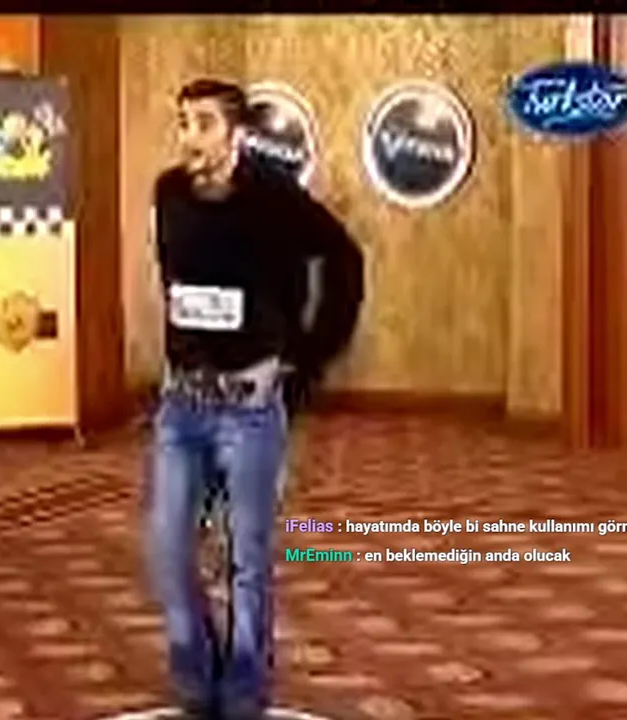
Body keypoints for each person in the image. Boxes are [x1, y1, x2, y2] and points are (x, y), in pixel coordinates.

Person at [146, 78, 363, 720]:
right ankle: (194, 672)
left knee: (248, 557)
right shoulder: (168, 192)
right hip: (181, 406)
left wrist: (309, 354)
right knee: (167, 548)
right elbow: (175, 282)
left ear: (236, 134)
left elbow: (342, 257)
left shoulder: (275, 196)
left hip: (249, 408)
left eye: (204, 123)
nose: (190, 137)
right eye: (183, 122)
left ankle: (243, 688)